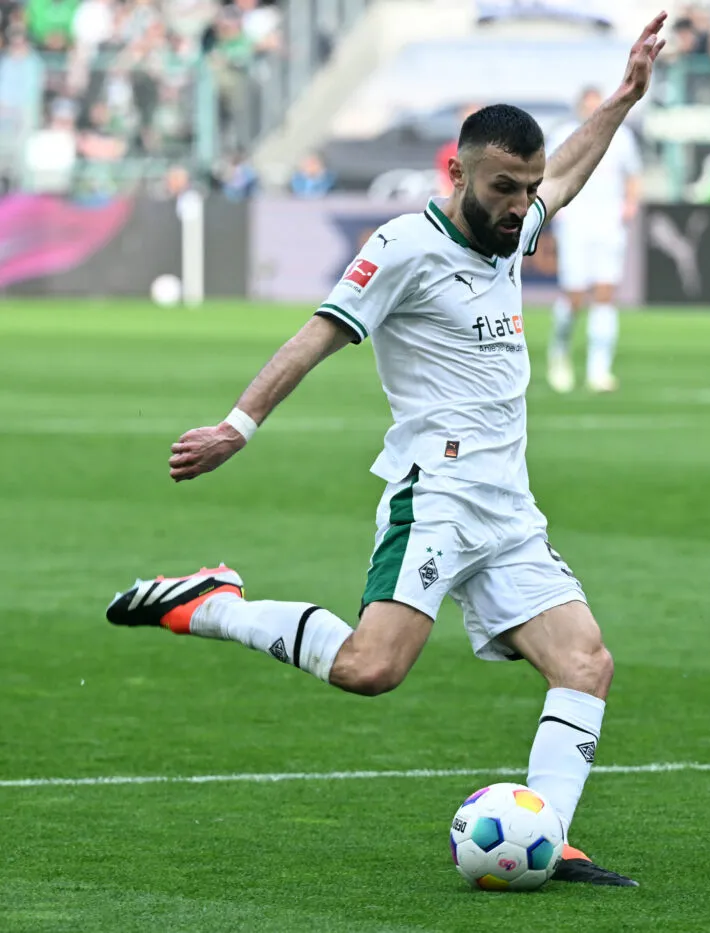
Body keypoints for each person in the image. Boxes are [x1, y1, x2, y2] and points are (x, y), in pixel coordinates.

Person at [103, 12, 670, 886]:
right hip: (435, 492)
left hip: (508, 507)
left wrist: (624, 99)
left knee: (585, 663)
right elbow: (315, 336)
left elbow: (566, 173)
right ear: (457, 173)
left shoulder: (513, 227)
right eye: (503, 187)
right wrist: (235, 427)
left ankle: (547, 837)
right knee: (371, 668)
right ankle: (213, 602)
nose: (521, 204)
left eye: (525, 188)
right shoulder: (403, 248)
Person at [545, 86, 642, 394]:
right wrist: (553, 209)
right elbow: (545, 174)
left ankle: (599, 370)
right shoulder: (564, 134)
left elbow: (633, 175)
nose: (594, 111)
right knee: (574, 296)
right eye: (588, 106)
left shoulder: (622, 137)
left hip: (608, 225)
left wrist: (630, 204)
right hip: (575, 224)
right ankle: (559, 352)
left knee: (605, 293)